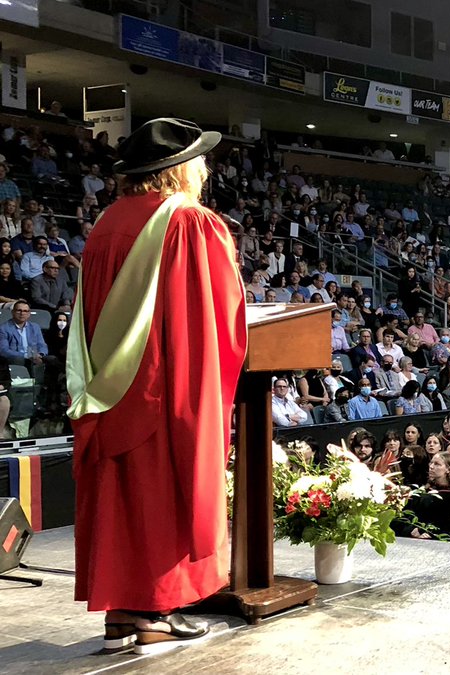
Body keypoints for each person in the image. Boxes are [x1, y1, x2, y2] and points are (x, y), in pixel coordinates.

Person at [67, 119, 246, 653]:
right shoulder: (189, 222)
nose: (206, 169)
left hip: (107, 386)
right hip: (161, 388)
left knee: (120, 496)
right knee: (158, 494)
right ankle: (156, 613)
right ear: (178, 171)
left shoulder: (105, 224)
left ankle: (121, 613)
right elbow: (216, 314)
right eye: (200, 161)